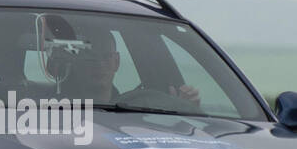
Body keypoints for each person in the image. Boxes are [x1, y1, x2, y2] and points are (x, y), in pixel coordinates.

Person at [61, 27, 200, 106]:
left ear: (117, 62)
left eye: (106, 57)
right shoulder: (55, 111)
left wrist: (184, 107)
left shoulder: (141, 110)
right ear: (75, 63)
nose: (100, 64)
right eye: (91, 57)